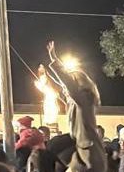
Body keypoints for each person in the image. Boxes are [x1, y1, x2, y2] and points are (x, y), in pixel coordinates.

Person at [47, 42, 106, 172]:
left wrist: (55, 60)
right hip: (81, 150)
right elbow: (66, 84)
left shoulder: (85, 98)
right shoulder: (77, 101)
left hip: (88, 154)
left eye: (66, 87)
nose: (64, 90)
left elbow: (68, 84)